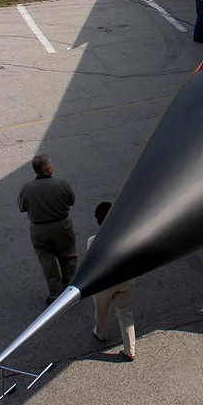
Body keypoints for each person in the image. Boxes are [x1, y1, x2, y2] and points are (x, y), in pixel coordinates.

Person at [18, 154, 77, 304]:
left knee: (47, 261)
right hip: (62, 226)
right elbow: (71, 201)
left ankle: (55, 293)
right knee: (68, 256)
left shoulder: (27, 188)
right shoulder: (62, 184)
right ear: (49, 169)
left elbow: (22, 207)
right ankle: (70, 290)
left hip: (39, 230)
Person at [89, 202, 136, 362]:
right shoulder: (127, 236)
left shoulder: (93, 241)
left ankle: (101, 333)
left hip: (104, 284)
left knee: (101, 310)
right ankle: (130, 350)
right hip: (125, 280)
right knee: (125, 313)